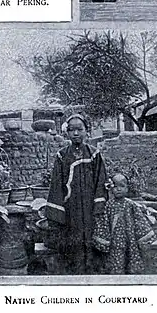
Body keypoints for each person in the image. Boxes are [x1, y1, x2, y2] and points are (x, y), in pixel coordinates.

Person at [45, 113, 108, 274]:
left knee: (90, 239)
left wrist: (98, 206)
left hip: (89, 208)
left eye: (79, 129)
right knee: (71, 241)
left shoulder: (94, 154)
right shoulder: (62, 155)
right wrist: (58, 212)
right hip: (70, 208)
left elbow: (101, 181)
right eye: (71, 130)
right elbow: (56, 185)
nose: (75, 133)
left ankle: (91, 273)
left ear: (87, 130)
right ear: (66, 132)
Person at [92, 173, 156, 274]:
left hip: (130, 239)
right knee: (116, 260)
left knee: (132, 256)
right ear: (111, 189)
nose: (118, 189)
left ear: (127, 188)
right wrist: (104, 239)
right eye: (115, 186)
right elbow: (103, 222)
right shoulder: (108, 205)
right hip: (115, 241)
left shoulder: (131, 204)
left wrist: (144, 235)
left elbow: (139, 220)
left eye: (122, 186)